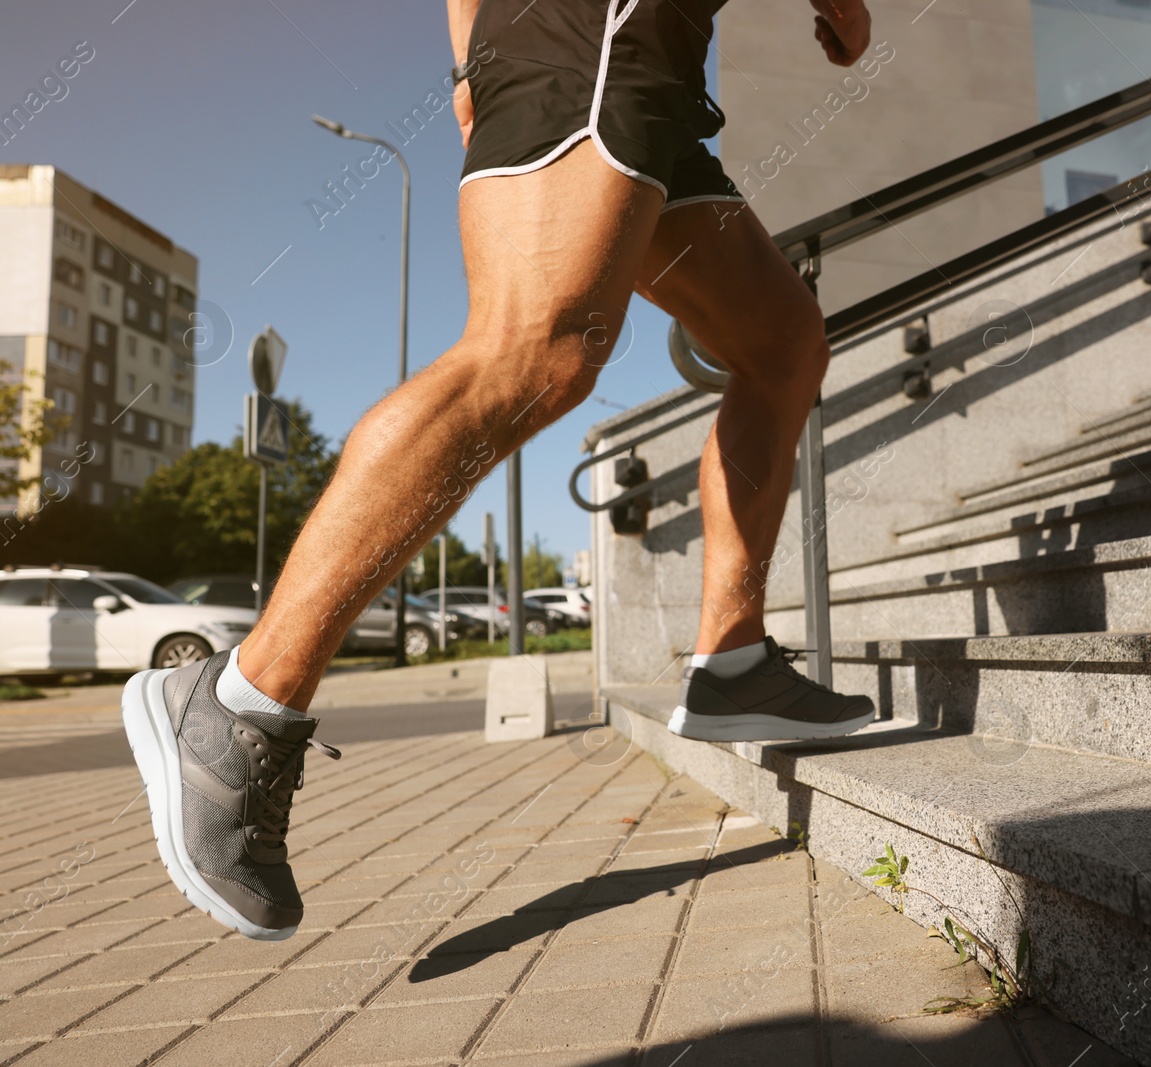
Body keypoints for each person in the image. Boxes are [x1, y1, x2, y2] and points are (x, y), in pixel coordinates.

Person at [120, 0, 878, 942]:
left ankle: (733, 659)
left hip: (657, 57)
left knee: (781, 343)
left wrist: (468, 62)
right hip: (597, 25)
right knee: (535, 352)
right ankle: (237, 705)